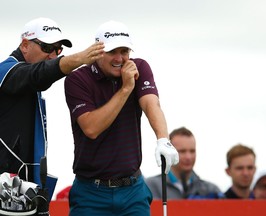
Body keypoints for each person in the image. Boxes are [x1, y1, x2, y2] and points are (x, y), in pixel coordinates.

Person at [64, 20, 179, 215]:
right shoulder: (77, 79)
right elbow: (91, 128)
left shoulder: (139, 68)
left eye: (124, 51)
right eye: (112, 52)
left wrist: (163, 139)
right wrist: (126, 88)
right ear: (98, 51)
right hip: (91, 192)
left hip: (132, 191)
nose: (119, 58)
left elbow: (151, 103)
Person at [0, 17, 105, 185]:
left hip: (22, 186)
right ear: (25, 45)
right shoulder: (5, 71)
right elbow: (38, 74)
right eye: (47, 47)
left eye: (58, 50)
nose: (53, 55)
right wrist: (79, 59)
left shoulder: (28, 82)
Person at [146, 126, 224, 199]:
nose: (188, 157)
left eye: (192, 151)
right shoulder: (150, 187)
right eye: (182, 151)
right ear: (170, 152)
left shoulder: (212, 191)